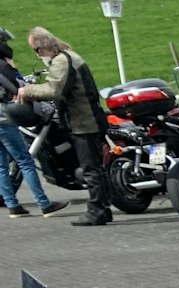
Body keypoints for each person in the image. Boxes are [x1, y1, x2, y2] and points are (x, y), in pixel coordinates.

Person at [12, 29, 107, 225]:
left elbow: (55, 89)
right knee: (93, 167)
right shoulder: (67, 56)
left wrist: (27, 90)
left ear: (45, 45)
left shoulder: (62, 61)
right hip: (84, 118)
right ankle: (102, 209)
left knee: (91, 169)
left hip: (84, 121)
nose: (37, 55)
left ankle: (97, 211)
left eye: (37, 50)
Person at [0, 34, 63, 217]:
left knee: (2, 166)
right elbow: (16, 86)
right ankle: (44, 204)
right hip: (4, 118)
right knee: (25, 161)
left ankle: (13, 206)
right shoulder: (3, 66)